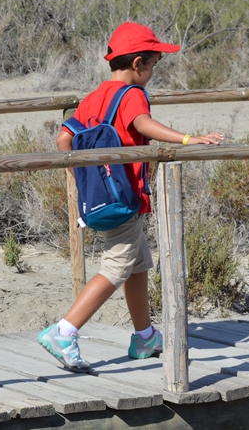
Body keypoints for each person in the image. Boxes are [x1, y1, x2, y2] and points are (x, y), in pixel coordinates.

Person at [37, 22, 224, 372]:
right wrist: (188, 139)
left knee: (137, 263)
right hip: (124, 197)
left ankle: (144, 336)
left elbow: (64, 141)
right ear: (138, 63)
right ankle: (64, 331)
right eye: (153, 64)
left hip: (101, 197)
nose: (153, 71)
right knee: (118, 265)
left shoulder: (93, 97)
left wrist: (86, 177)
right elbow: (142, 124)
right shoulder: (131, 94)